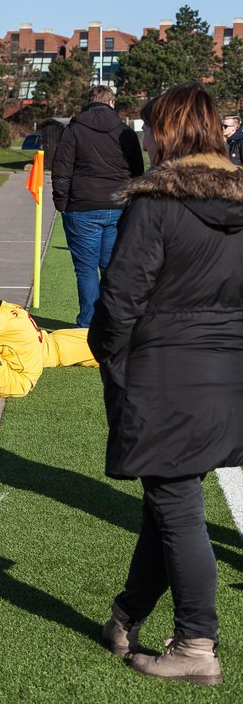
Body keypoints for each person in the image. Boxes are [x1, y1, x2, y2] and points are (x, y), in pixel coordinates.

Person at [89, 83, 243, 685]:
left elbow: (121, 297)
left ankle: (196, 644)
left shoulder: (156, 202)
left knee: (177, 507)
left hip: (167, 375)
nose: (145, 137)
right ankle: (127, 614)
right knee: (168, 500)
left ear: (169, 133)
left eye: (151, 128)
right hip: (225, 374)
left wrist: (106, 352)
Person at [52, 85, 145, 327]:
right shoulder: (125, 131)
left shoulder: (74, 129)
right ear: (112, 103)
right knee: (112, 267)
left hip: (81, 206)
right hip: (117, 205)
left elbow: (61, 169)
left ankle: (88, 323)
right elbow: (137, 170)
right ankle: (114, 321)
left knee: (86, 269)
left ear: (89, 102)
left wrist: (62, 202)